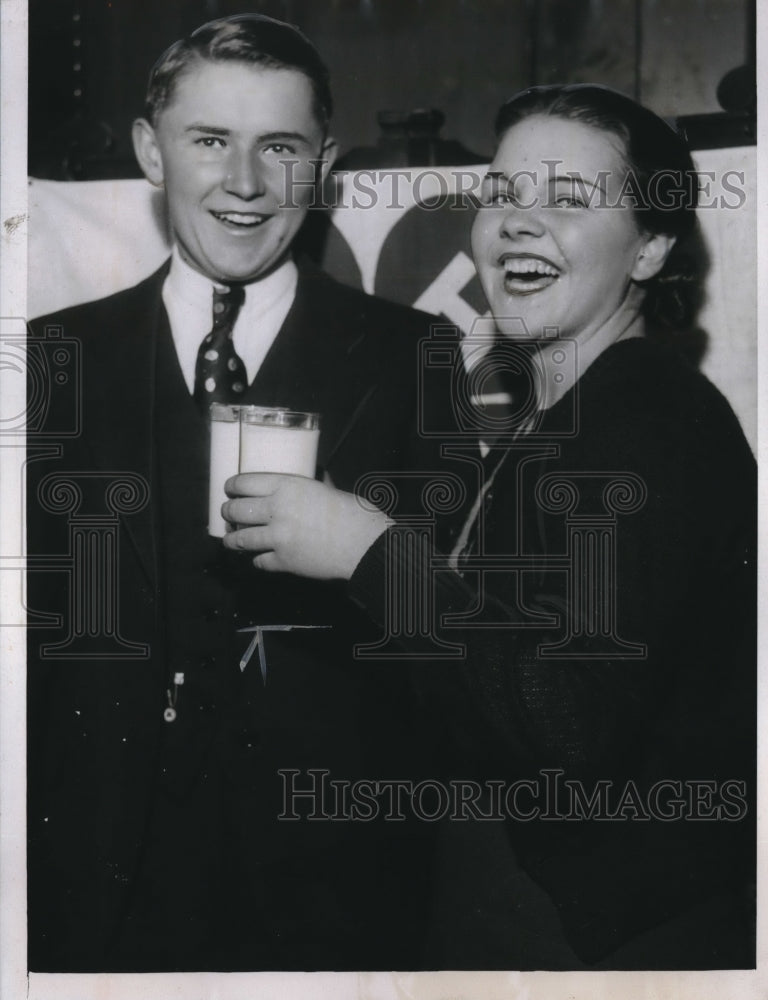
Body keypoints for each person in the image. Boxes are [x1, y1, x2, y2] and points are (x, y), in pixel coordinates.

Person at [222, 85, 756, 968]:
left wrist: (370, 553)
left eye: (568, 202)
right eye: (503, 195)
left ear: (652, 248)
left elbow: (567, 717)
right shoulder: (567, 415)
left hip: (598, 942)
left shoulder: (650, 417)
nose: (516, 223)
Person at [26, 14, 445, 972]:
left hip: (337, 889)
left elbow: (448, 652)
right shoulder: (56, 356)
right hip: (95, 880)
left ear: (323, 165)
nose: (246, 182)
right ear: (149, 150)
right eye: (210, 140)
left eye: (281, 147)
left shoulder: (413, 356)